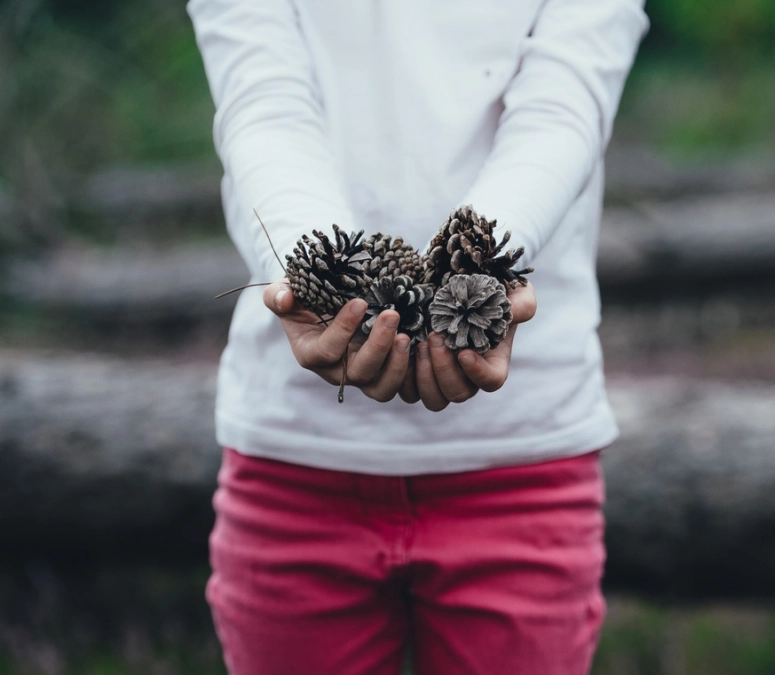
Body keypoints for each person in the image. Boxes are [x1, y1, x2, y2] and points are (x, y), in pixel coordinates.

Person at [187, 0, 648, 672]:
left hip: (521, 461)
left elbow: (562, 109)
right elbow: (263, 101)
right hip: (294, 464)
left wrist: (478, 270)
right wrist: (316, 276)